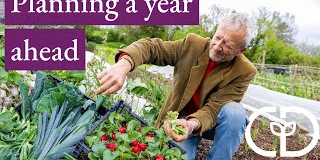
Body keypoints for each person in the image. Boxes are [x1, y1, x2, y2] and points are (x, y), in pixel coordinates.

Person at [96, 13, 256, 160]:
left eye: (227, 45)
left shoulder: (243, 71)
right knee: (179, 157)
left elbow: (214, 109)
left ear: (241, 50)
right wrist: (125, 64)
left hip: (210, 123)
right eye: (218, 37)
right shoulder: (192, 45)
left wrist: (192, 124)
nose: (217, 45)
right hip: (178, 121)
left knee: (236, 113)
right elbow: (152, 48)